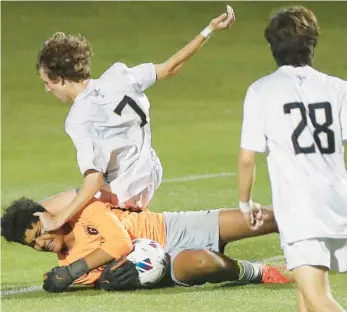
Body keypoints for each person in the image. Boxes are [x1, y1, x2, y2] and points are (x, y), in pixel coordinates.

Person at [34, 5, 236, 232]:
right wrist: (209, 29)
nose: (47, 89)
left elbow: (94, 180)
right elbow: (171, 67)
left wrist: (59, 219)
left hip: (122, 192)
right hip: (149, 173)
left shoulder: (79, 118)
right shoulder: (120, 76)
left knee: (35, 215)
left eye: (47, 82)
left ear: (60, 78)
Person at [237, 5, 347, 312]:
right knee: (308, 296)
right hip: (338, 203)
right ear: (312, 43)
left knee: (318, 299)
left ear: (273, 46)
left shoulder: (262, 91)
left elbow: (247, 158)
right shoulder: (338, 88)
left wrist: (245, 203)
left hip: (301, 209)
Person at [1, 196, 294, 293]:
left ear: (48, 217)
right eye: (33, 245)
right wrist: (108, 280)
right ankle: (258, 271)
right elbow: (111, 275)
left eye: (40, 232)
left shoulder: (85, 212)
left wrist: (74, 271)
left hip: (172, 226)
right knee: (204, 261)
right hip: (168, 260)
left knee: (265, 219)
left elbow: (119, 243)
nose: (42, 243)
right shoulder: (66, 265)